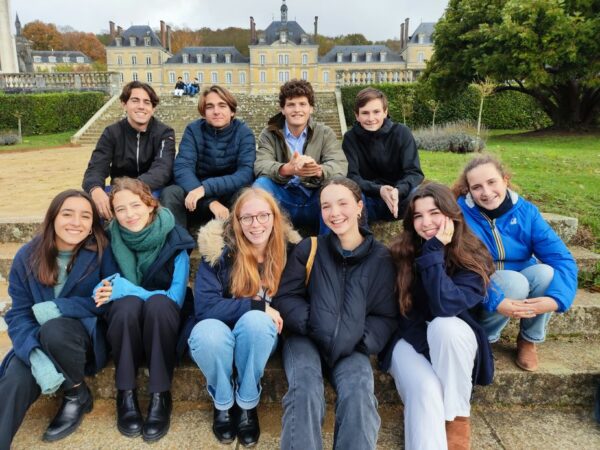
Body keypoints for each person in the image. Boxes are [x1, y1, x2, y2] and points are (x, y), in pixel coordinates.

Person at [272, 177, 399, 449]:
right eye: (326, 206)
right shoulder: (310, 248)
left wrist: (359, 339)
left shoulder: (381, 258)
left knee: (360, 393)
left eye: (342, 203)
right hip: (305, 338)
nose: (334, 212)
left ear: (359, 207)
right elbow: (285, 297)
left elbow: (386, 316)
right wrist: (315, 324)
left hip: (352, 345)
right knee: (304, 388)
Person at [380, 182, 495, 450]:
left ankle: (456, 419)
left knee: (445, 326)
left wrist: (432, 251)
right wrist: (426, 346)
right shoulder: (399, 253)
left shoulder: (472, 255)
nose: (426, 222)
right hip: (408, 339)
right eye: (418, 216)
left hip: (454, 342)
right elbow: (395, 313)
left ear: (451, 215)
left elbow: (446, 305)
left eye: (434, 213)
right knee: (427, 389)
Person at [0, 190, 118, 447]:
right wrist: (35, 355)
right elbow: (19, 314)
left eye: (85, 216)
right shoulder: (26, 256)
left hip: (80, 339)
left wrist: (59, 307)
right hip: (36, 337)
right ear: (52, 218)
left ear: (91, 225)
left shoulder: (101, 251)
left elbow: (108, 301)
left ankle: (75, 394)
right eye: (67, 214)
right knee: (15, 379)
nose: (76, 222)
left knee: (54, 329)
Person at [184, 187, 300, 447]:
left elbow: (297, 300)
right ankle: (223, 403)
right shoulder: (218, 251)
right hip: (218, 334)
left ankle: (247, 403)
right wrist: (256, 305)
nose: (255, 224)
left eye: (263, 215)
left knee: (256, 322)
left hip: (259, 338)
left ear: (274, 217)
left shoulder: (291, 251)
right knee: (207, 333)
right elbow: (205, 308)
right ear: (236, 220)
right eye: (247, 217)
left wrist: (258, 312)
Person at [454, 154, 578, 371]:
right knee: (513, 282)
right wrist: (495, 299)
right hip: (483, 281)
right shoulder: (460, 214)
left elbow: (561, 258)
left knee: (546, 273)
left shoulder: (526, 212)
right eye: (477, 187)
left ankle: (529, 339)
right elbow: (459, 266)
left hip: (522, 273)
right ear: (469, 190)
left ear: (505, 180)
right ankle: (485, 337)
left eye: (492, 182)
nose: (486, 192)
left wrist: (557, 299)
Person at [94, 177, 195, 442]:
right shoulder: (109, 238)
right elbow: (104, 288)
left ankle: (160, 395)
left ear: (150, 205)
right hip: (126, 326)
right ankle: (125, 394)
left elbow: (175, 298)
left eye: (135, 205)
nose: (129, 215)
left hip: (162, 323)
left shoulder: (176, 238)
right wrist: (106, 290)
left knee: (158, 304)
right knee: (126, 306)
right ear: (113, 213)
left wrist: (130, 289)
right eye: (120, 209)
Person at [254, 79, 348, 233]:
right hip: (283, 198)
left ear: (311, 108)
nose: (297, 110)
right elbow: (261, 164)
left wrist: (318, 170)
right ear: (283, 109)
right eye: (291, 104)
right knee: (260, 185)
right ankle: (266, 244)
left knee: (337, 187)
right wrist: (287, 169)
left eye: (302, 104)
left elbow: (339, 165)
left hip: (316, 199)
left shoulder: (325, 133)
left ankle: (328, 245)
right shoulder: (269, 134)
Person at [161, 85, 256, 229]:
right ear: (204, 112)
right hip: (195, 195)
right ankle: (179, 242)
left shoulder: (244, 133)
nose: (216, 111)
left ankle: (236, 238)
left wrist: (206, 188)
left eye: (222, 106)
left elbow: (245, 173)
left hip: (227, 194)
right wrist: (209, 201)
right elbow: (182, 168)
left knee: (247, 194)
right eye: (210, 107)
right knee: (171, 193)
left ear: (232, 111)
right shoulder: (193, 130)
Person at [82, 81, 176, 220]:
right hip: (118, 190)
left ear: (153, 108)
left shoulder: (165, 133)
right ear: (124, 104)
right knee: (90, 203)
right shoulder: (112, 133)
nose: (141, 106)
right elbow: (96, 166)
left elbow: (162, 169)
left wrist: (130, 189)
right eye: (135, 100)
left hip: (152, 188)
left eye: (147, 102)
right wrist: (95, 189)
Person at [342, 87, 424, 220]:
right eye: (365, 113)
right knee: (349, 197)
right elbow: (352, 176)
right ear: (357, 115)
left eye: (376, 112)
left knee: (420, 195)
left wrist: (398, 190)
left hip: (399, 197)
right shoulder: (350, 138)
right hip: (368, 199)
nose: (371, 118)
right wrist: (379, 190)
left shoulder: (402, 133)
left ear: (385, 112)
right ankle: (361, 232)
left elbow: (414, 172)